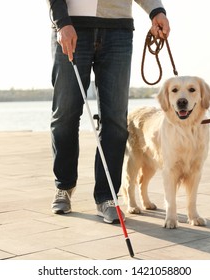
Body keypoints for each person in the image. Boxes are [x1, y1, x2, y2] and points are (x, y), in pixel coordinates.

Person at [47, 0, 170, 224]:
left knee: (114, 120)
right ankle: (64, 186)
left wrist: (156, 11)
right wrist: (62, 22)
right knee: (65, 114)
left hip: (118, 32)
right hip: (72, 27)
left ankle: (107, 197)